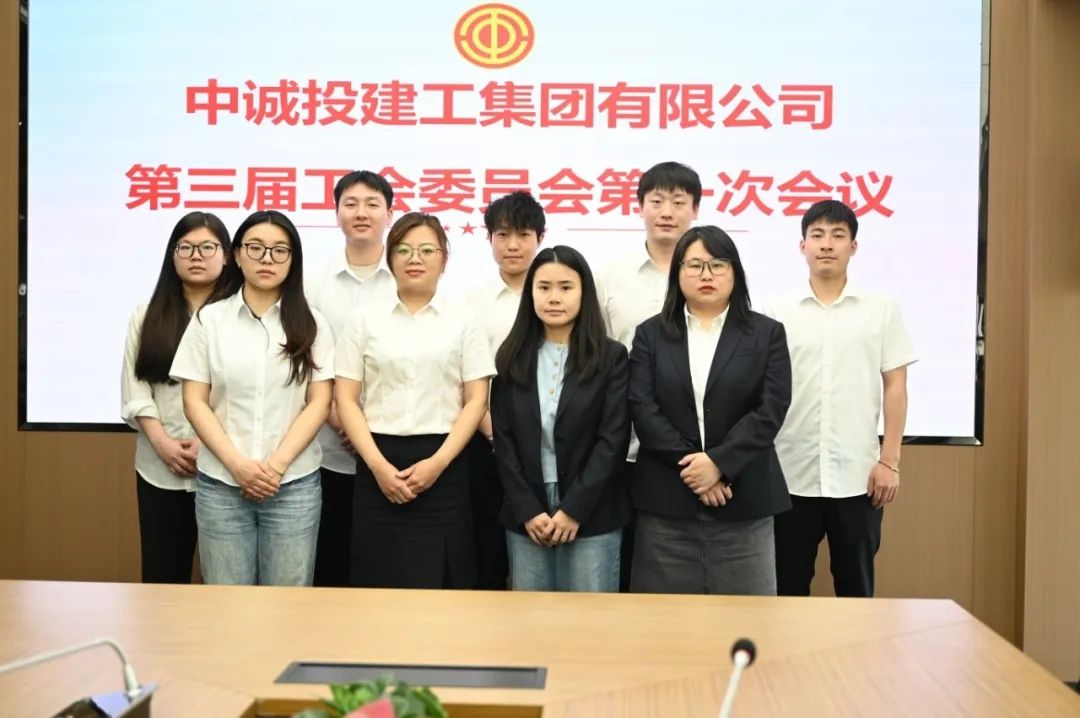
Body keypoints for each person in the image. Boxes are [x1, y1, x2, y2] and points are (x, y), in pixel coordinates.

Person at [170, 210, 334, 586]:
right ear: (237, 255)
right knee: (226, 605)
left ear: (293, 260)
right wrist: (237, 465)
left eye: (280, 250)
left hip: (293, 485)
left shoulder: (313, 323)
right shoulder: (209, 321)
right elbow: (194, 401)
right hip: (221, 485)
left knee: (288, 605)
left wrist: (276, 467)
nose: (267, 259)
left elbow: (319, 402)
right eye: (256, 248)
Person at [628, 226, 792, 595]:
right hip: (667, 504)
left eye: (717, 264)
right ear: (677, 273)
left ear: (735, 272)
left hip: (744, 501)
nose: (706, 274)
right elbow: (643, 408)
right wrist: (695, 469)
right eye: (695, 265)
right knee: (663, 621)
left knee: (748, 620)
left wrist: (719, 463)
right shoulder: (650, 334)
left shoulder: (766, 333)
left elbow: (771, 409)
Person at [335, 212, 495, 589]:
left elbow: (476, 400)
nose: (415, 259)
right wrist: (377, 466)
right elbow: (346, 398)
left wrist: (438, 463)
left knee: (442, 584)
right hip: (378, 463)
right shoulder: (363, 320)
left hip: (444, 463)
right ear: (390, 258)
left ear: (444, 259)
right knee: (377, 581)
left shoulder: (464, 320)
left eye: (427, 250)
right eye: (404, 250)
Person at [765, 200, 916, 598]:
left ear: (854, 246)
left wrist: (890, 461)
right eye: (817, 235)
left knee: (856, 590)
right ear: (803, 246)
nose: (827, 244)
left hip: (859, 478)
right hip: (789, 475)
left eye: (837, 235)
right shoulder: (775, 311)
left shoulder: (881, 309)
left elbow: (896, 387)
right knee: (785, 589)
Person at [490, 246, 630, 592]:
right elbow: (503, 440)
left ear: (584, 293)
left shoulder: (611, 357)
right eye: (544, 287)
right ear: (530, 293)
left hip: (591, 508)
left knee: (588, 618)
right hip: (528, 511)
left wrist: (574, 510)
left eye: (566, 287)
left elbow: (612, 439)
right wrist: (527, 510)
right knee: (532, 619)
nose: (554, 298)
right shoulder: (511, 356)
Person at [597, 161, 702, 591]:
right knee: (625, 567)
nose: (667, 212)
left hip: (696, 453)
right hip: (624, 447)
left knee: (686, 574)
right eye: (657, 201)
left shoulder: (712, 275)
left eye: (678, 202)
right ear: (639, 206)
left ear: (695, 210)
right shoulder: (611, 277)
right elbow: (597, 359)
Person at [121, 211, 230, 583]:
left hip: (225, 468)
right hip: (159, 467)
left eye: (207, 247)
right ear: (172, 255)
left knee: (225, 580)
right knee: (162, 577)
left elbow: (246, 393)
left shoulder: (238, 317)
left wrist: (208, 442)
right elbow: (135, 387)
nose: (196, 256)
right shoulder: (146, 315)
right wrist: (163, 444)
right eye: (185, 247)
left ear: (227, 255)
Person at [305, 170, 396, 587]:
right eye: (351, 204)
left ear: (389, 214)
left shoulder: (407, 280)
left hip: (390, 448)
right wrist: (340, 419)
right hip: (326, 448)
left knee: (383, 569)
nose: (362, 213)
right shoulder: (311, 284)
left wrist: (367, 428)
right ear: (336, 212)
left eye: (372, 204)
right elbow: (305, 361)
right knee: (330, 567)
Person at [464, 190, 546, 589]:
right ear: (489, 239)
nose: (513, 245)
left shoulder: (558, 292)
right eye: (502, 234)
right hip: (486, 437)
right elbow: (462, 376)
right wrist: (494, 433)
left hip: (549, 442)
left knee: (542, 542)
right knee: (487, 549)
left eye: (523, 235)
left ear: (540, 238)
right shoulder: (470, 303)